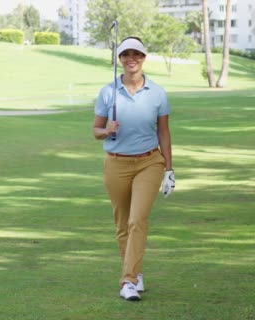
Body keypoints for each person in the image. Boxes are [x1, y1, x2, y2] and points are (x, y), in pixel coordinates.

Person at [92, 36, 175, 301]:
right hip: (116, 163)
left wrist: (169, 169)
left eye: (136, 54)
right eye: (126, 54)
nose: (131, 58)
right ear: (120, 59)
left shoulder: (157, 93)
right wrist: (107, 130)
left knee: (137, 220)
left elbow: (164, 132)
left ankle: (127, 281)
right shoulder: (108, 92)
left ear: (143, 58)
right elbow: (96, 131)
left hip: (149, 161)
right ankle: (135, 271)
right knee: (122, 225)